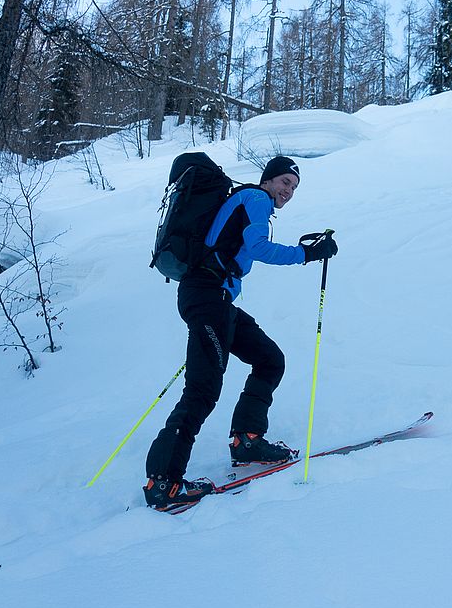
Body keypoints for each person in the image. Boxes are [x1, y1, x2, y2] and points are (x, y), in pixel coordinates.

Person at [144, 155, 339, 510]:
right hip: (208, 298)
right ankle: (163, 482)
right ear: (268, 180)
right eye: (284, 182)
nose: (288, 191)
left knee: (269, 359)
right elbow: (257, 247)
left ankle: (247, 440)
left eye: (294, 187)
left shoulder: (248, 199)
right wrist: (306, 254)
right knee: (202, 391)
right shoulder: (256, 199)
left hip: (215, 300)